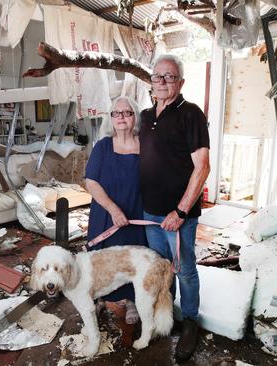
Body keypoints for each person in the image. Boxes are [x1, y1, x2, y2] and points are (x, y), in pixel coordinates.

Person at [139, 54, 210, 362]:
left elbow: (202, 167)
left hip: (177, 215)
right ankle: (164, 315)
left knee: (184, 270)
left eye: (169, 77)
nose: (163, 82)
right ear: (151, 82)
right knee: (160, 268)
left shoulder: (190, 114)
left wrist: (180, 212)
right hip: (149, 213)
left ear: (181, 82)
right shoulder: (144, 116)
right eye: (157, 77)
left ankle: (191, 321)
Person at [84, 96, 147, 325]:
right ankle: (99, 297)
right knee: (103, 258)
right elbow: (91, 182)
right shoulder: (102, 146)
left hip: (135, 210)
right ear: (111, 118)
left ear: (135, 117)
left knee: (132, 257)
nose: (121, 117)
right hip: (105, 212)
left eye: (127, 112)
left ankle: (131, 300)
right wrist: (112, 209)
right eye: (116, 113)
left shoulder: (145, 145)